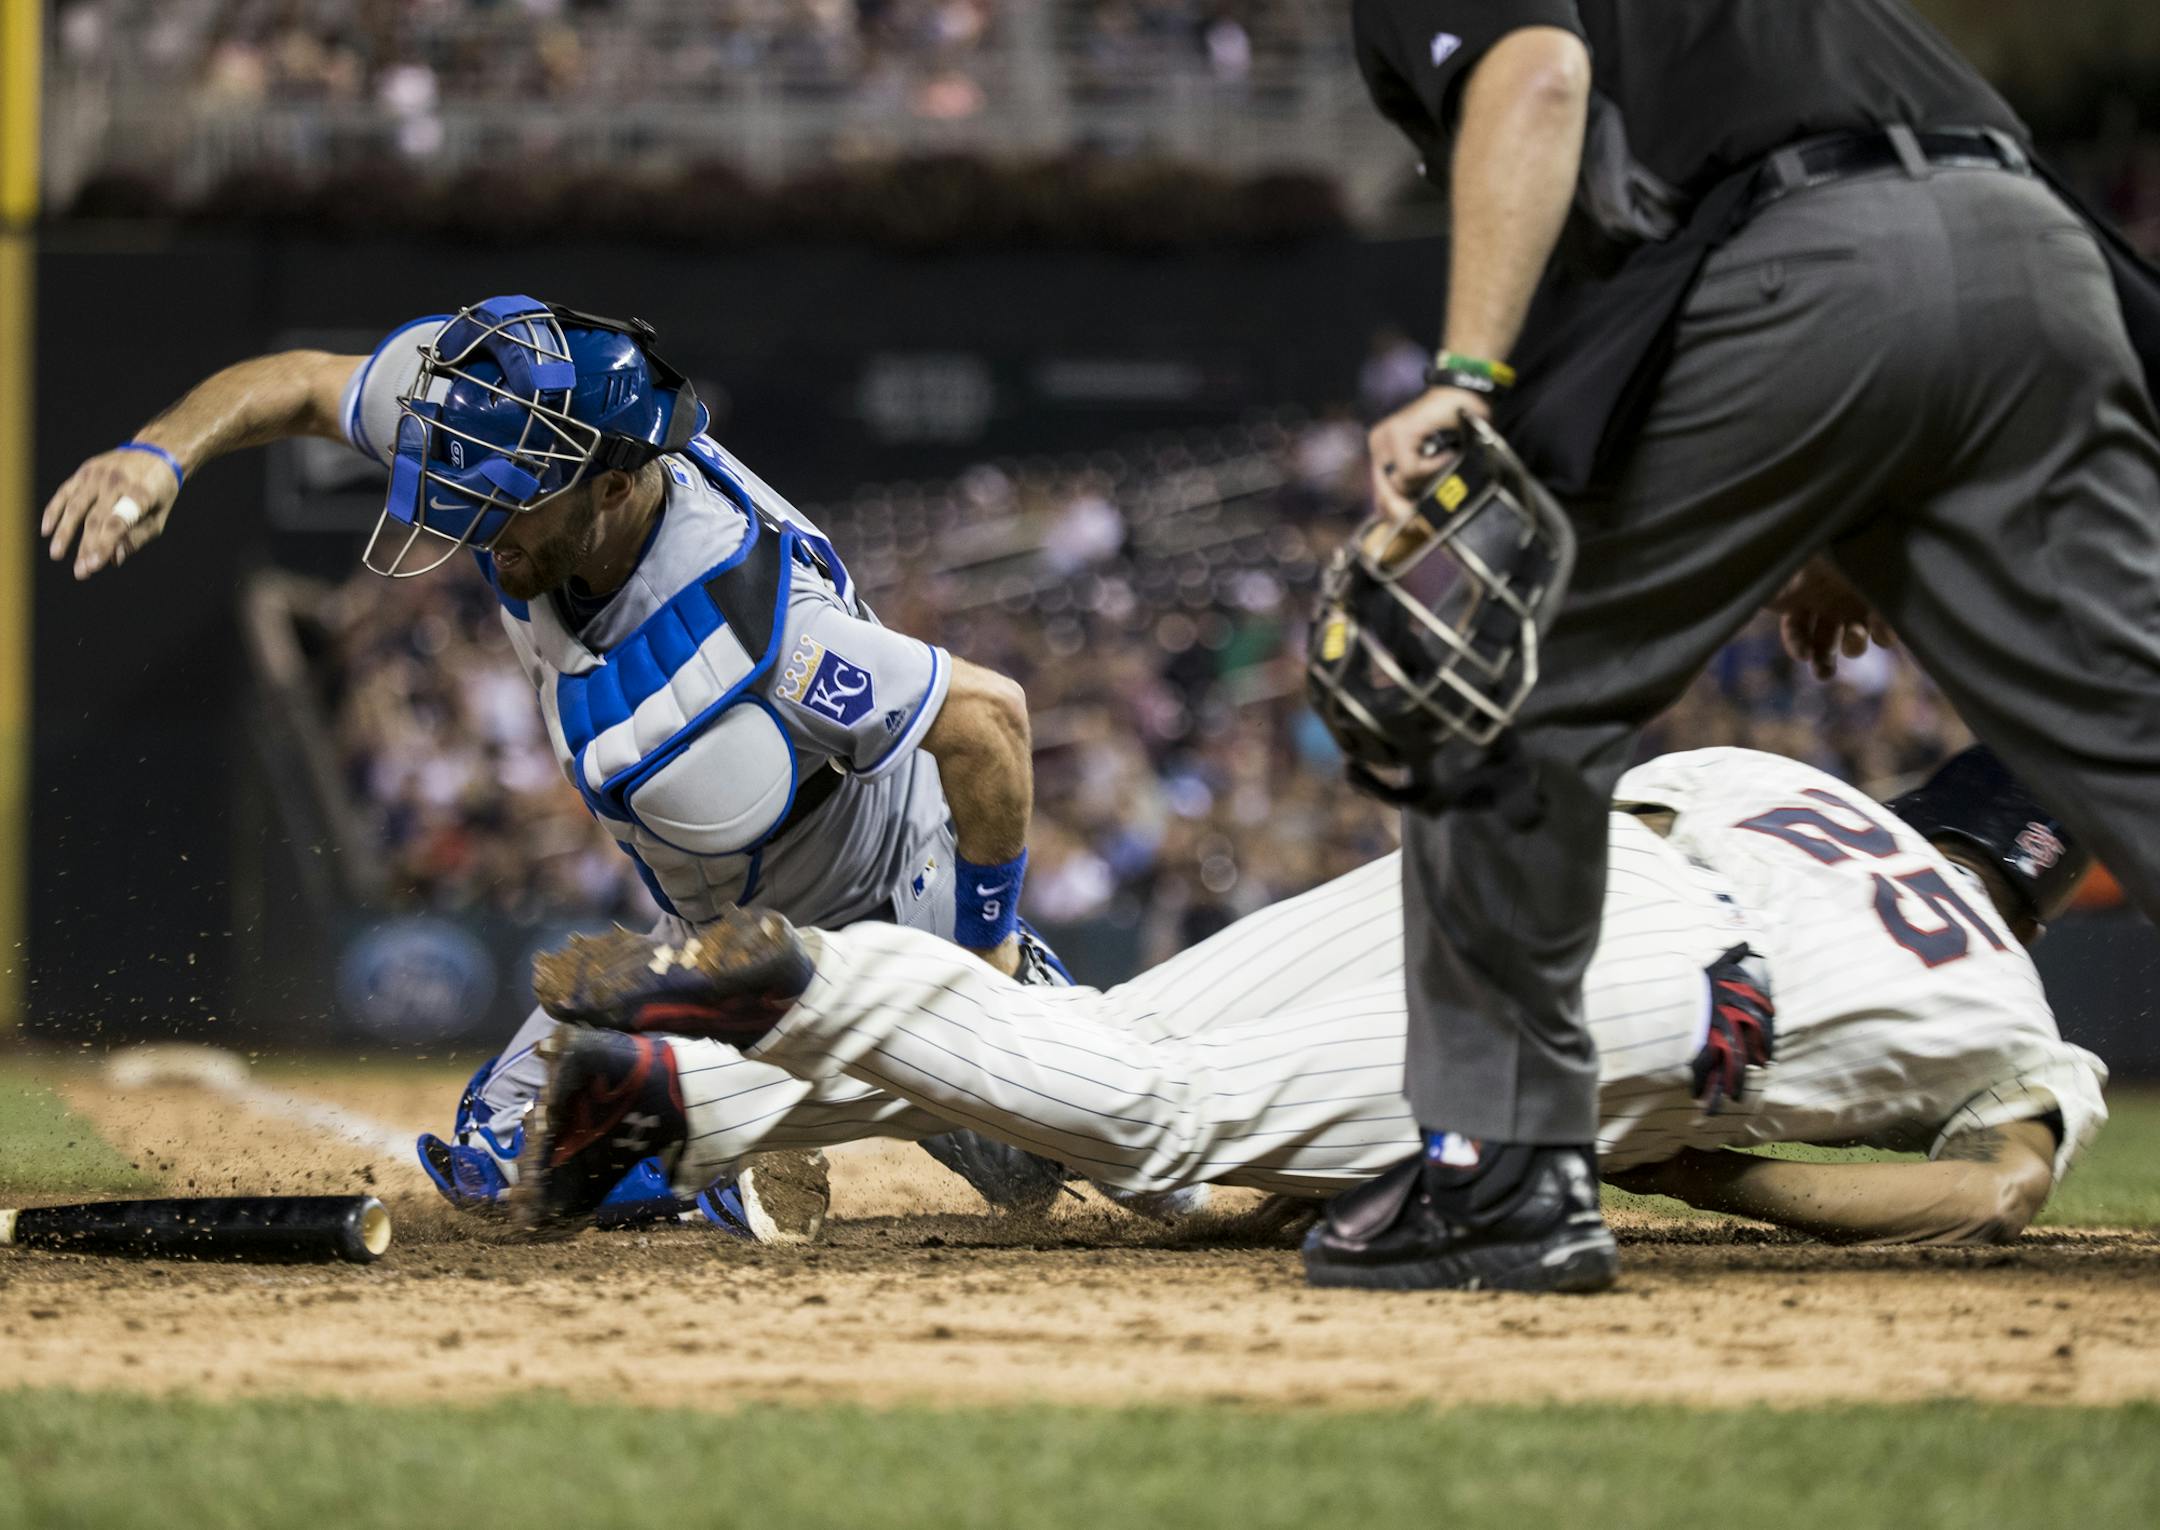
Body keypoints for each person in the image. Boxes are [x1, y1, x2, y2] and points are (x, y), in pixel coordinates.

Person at [1330, 0, 2160, 1289]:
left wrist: (1469, 382)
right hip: (2035, 252)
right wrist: (1852, 501)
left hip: (1801, 264)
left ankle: (1502, 1171)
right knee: (2135, 741)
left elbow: (1538, 77)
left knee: (1484, 680)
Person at [39, 294, 1076, 1235]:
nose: (467, 520)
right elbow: (304, 381)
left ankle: (743, 1117)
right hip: (720, 940)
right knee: (504, 1166)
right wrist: (160, 454)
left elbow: (988, 718)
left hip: (896, 923)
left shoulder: (754, 614)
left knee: (1058, 1168)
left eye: (505, 500)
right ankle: (709, 1147)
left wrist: (983, 946)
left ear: (615, 487)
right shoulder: (493, 416)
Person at [506, 744, 2108, 1257]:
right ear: (2046, 886)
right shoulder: (2017, 1010)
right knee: (1173, 1122)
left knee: (1118, 1036)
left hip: (1543, 855)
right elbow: (1990, 1192)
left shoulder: (1790, 776)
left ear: (1935, 799)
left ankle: (668, 1107)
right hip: (1676, 1000)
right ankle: (819, 975)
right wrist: (1696, 1165)